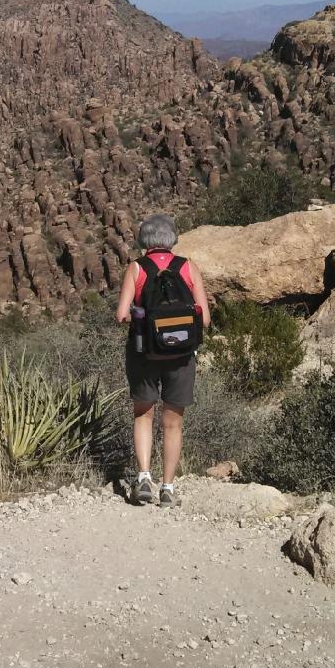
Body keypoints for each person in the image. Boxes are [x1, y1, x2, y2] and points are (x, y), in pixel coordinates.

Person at [115, 213, 210, 507]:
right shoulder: (187, 266)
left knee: (143, 414)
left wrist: (141, 317)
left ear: (145, 240)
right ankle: (168, 488)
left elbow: (120, 315)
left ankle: (144, 478)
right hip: (181, 356)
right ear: (172, 239)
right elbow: (204, 318)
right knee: (173, 422)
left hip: (144, 352)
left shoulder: (136, 268)